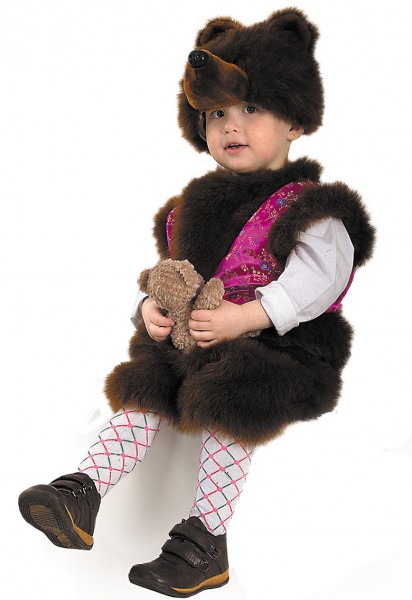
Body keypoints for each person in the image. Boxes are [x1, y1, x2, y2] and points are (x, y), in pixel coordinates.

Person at [18, 7, 375, 598]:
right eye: (216, 115)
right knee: (147, 383)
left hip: (281, 349)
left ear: (294, 121)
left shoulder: (310, 208)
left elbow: (319, 281)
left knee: (232, 391)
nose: (232, 126)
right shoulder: (191, 210)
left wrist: (248, 316)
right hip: (200, 340)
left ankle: (205, 540)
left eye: (251, 109)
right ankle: (82, 492)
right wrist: (151, 310)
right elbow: (177, 277)